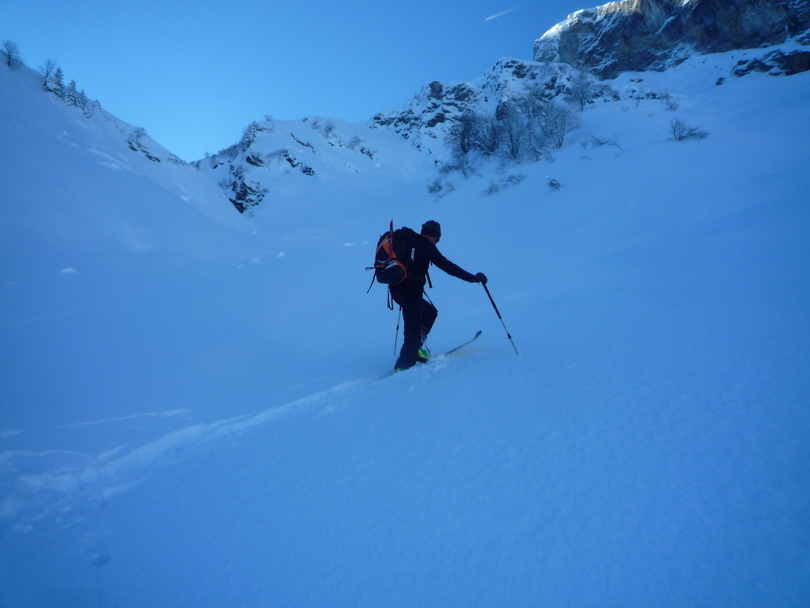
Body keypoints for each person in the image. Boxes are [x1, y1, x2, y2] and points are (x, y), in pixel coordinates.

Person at [390, 220, 487, 371]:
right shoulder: (426, 246)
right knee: (412, 333)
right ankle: (403, 368)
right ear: (435, 236)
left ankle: (417, 349)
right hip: (411, 293)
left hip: (396, 290)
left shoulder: (409, 241)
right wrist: (473, 278)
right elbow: (448, 267)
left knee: (430, 312)